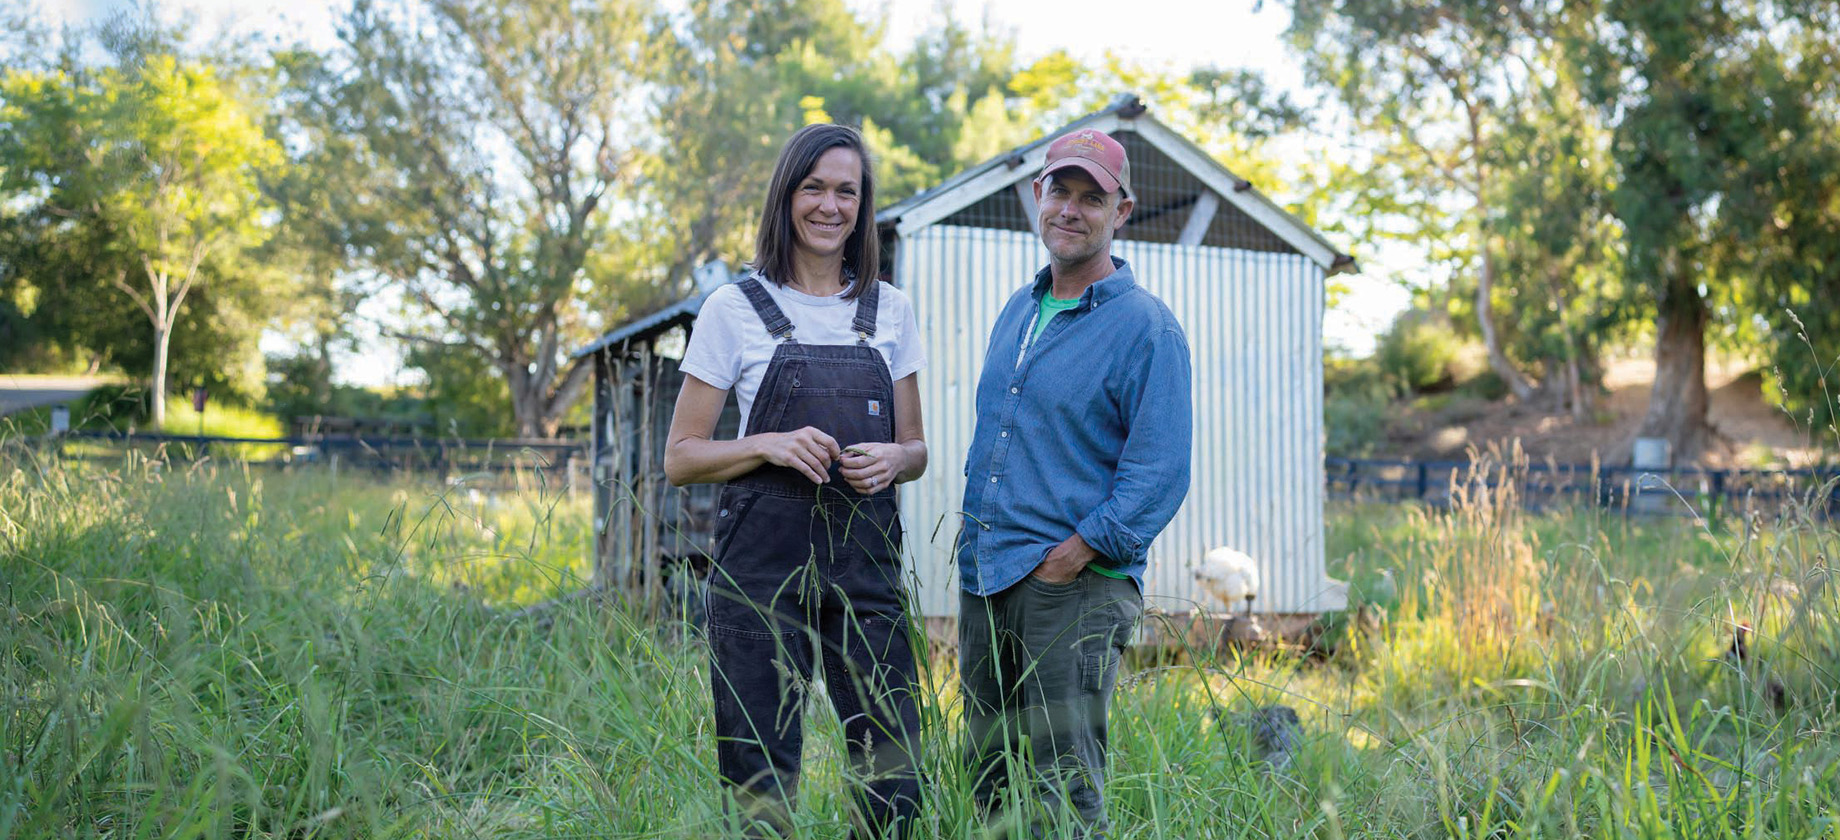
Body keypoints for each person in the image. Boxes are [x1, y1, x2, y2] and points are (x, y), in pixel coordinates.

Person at [662, 123, 927, 839]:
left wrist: (896, 460)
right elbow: (681, 458)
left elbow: (917, 449)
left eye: (847, 190)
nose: (829, 205)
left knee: (894, 774)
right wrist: (768, 444)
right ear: (787, 195)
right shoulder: (734, 309)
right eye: (814, 187)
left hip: (865, 570)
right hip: (760, 576)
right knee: (759, 780)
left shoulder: (890, 311)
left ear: (862, 205)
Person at [956, 128, 1192, 837]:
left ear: (1121, 213)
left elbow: (1160, 474)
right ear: (1038, 196)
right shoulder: (1019, 311)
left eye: (1094, 197)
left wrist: (1072, 557)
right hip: (985, 576)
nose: (1072, 209)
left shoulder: (1146, 329)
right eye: (1061, 190)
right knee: (988, 773)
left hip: (1072, 588)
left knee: (1063, 783)